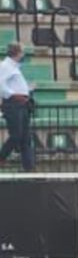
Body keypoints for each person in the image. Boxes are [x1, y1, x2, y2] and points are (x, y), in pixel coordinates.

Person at [0, 41, 33, 173]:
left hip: (22, 104)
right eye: (22, 51)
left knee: (25, 137)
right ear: (17, 53)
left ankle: (29, 168)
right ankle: (1, 157)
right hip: (13, 104)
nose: (23, 54)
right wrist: (13, 95)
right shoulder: (5, 66)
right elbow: (1, 85)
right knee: (16, 135)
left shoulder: (14, 67)